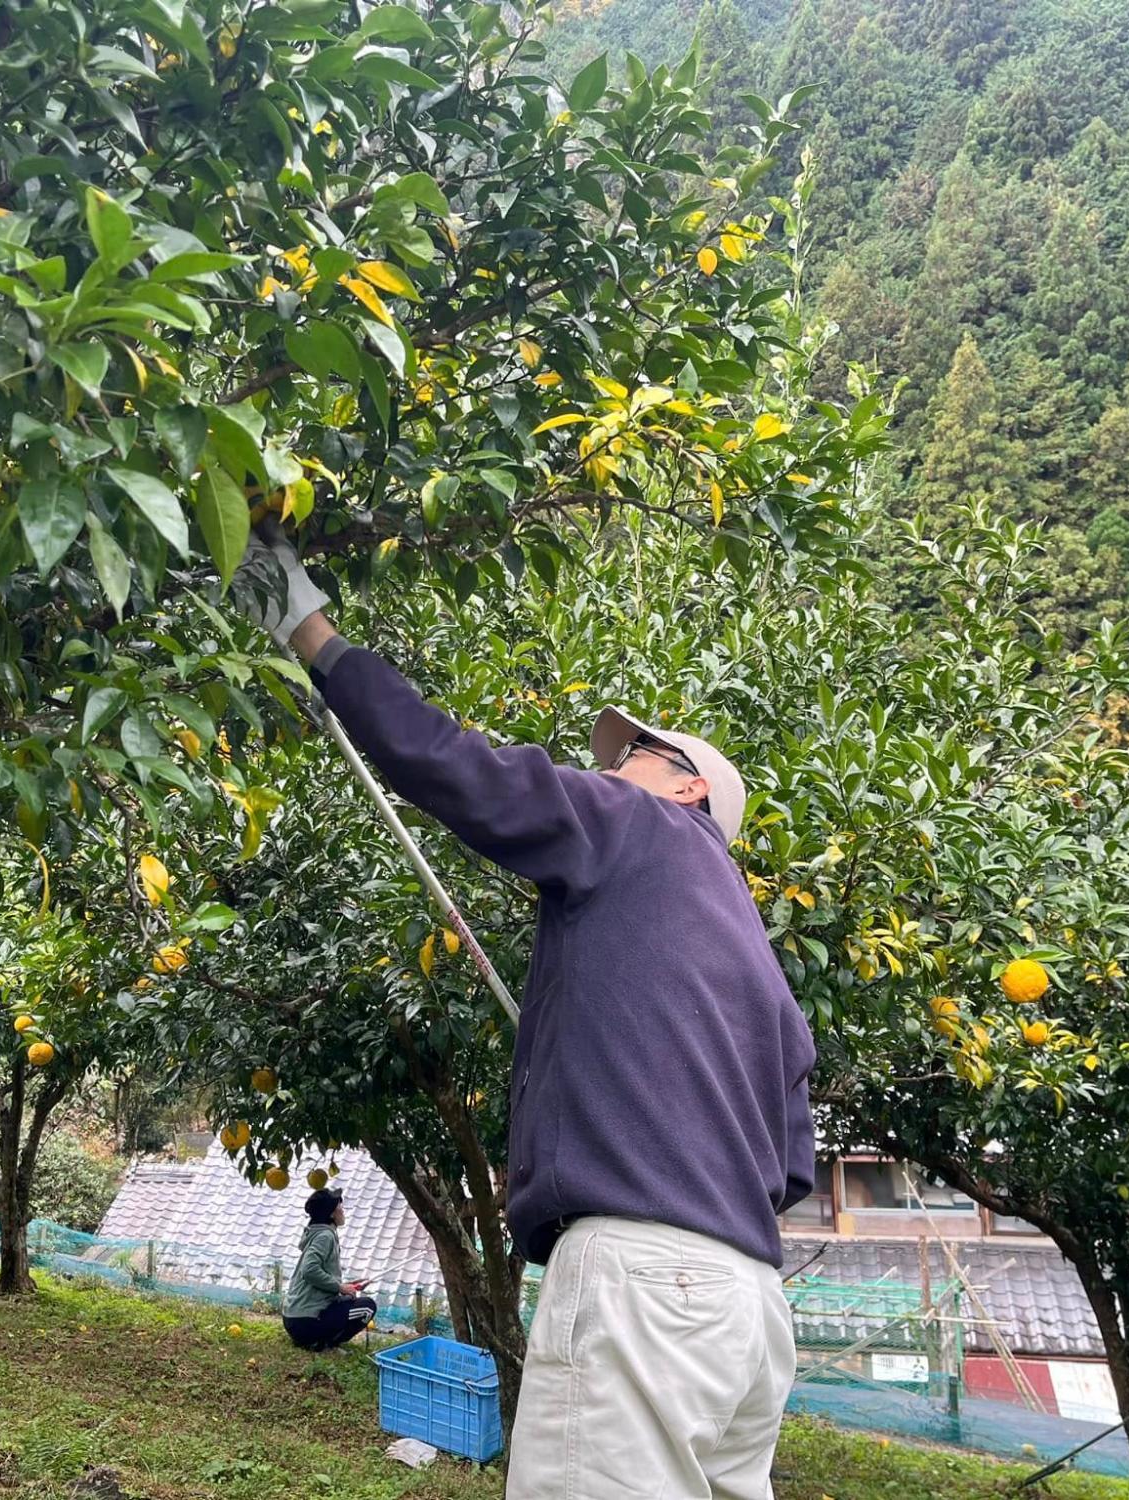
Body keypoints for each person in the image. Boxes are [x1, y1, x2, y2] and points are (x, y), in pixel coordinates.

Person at [238, 530, 816, 1500]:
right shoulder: (760, 968)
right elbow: (789, 1171)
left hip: (642, 1290)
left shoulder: (641, 825)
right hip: (747, 1318)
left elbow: (465, 771)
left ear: (688, 788)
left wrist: (313, 635)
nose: (614, 764)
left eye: (635, 751)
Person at [282, 1187, 378, 1351]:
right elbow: (309, 1270)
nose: (343, 1210)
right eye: (340, 1206)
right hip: (306, 1322)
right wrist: (340, 1287)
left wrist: (348, 1285)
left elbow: (315, 1274)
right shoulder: (325, 1236)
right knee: (367, 1307)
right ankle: (324, 1344)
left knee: (350, 1300)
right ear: (332, 1213)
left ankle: (317, 1339)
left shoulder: (318, 1233)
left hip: (294, 1319)